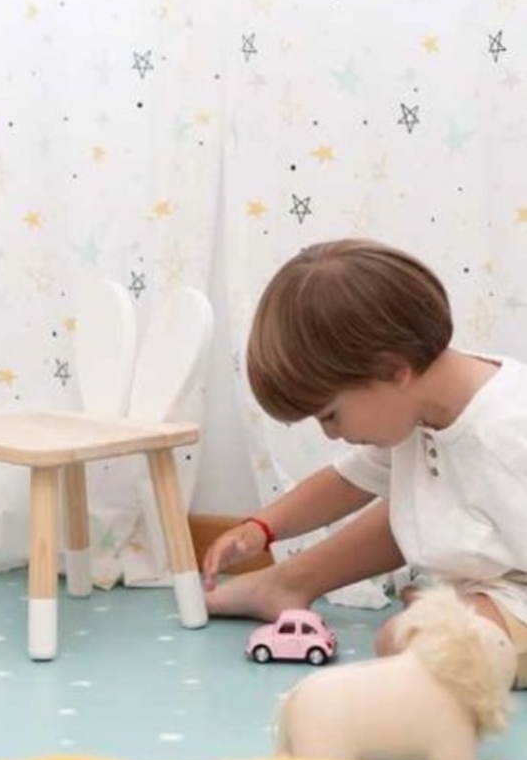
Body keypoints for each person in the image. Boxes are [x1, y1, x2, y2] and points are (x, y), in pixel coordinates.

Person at [201, 238, 527, 686]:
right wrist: (262, 528)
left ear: (394, 370)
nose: (330, 433)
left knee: (404, 641)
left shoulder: (507, 434)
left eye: (331, 415)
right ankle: (289, 582)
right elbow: (347, 482)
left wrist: (465, 618)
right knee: (415, 503)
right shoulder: (421, 404)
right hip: (499, 582)